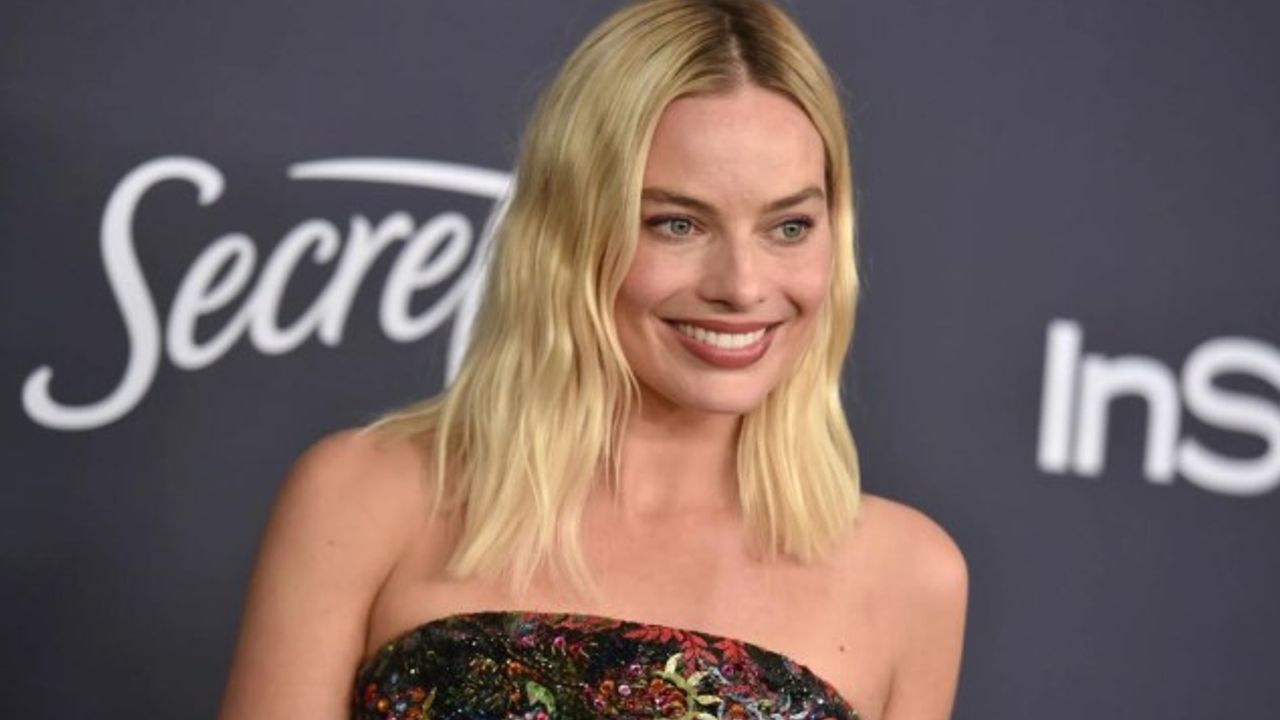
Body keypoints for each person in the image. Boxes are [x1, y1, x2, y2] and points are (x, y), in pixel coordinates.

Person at [217, 1, 967, 718]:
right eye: (677, 224)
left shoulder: (910, 578)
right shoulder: (365, 497)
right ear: (569, 234)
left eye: (789, 226)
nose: (742, 286)